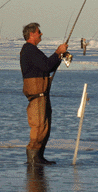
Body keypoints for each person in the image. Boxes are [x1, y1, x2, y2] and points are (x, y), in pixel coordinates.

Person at [20, 23, 68, 165]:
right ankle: (33, 158)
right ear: (32, 34)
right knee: (39, 126)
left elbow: (48, 67)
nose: (41, 34)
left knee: (45, 127)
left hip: (42, 95)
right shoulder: (29, 50)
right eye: (39, 32)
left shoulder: (32, 50)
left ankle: (38, 157)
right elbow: (47, 65)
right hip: (37, 95)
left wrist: (60, 55)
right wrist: (58, 51)